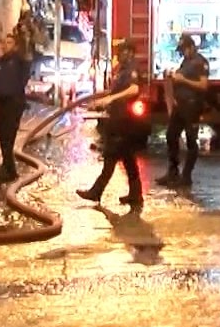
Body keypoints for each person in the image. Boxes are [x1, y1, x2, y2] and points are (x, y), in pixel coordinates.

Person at [77, 38, 147, 213]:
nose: (119, 55)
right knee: (128, 159)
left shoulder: (131, 68)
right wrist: (101, 100)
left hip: (125, 121)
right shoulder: (122, 70)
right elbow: (115, 91)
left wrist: (111, 99)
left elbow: (134, 89)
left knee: (111, 156)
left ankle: (96, 192)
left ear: (129, 52)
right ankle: (135, 194)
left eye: (122, 51)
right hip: (119, 119)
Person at [159, 34, 210, 188]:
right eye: (181, 50)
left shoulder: (200, 62)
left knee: (191, 140)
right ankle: (173, 171)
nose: (183, 52)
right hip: (180, 105)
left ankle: (186, 176)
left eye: (184, 49)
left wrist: (183, 80)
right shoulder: (185, 62)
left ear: (192, 47)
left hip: (192, 106)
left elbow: (203, 85)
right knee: (171, 135)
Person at [0, 32, 32, 184]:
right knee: (1, 134)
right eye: (4, 43)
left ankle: (8, 169)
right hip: (1, 103)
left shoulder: (20, 61)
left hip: (14, 103)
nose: (6, 46)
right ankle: (9, 169)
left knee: (9, 136)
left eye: (9, 43)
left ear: (15, 46)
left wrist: (25, 38)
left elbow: (27, 61)